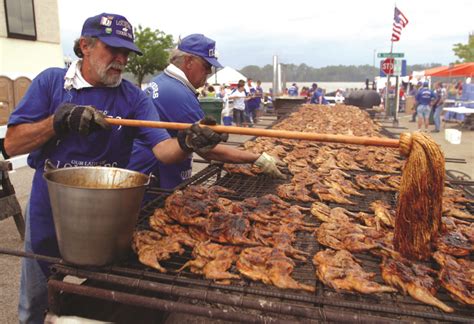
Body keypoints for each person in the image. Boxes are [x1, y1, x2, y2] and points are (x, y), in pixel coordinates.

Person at [4, 14, 228, 324]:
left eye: (126, 53)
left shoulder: (133, 97)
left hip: (107, 213)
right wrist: (58, 121)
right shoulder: (51, 82)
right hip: (51, 206)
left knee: (105, 290)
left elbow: (164, 151)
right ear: (85, 46)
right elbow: (13, 144)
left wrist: (189, 141)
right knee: (36, 294)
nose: (121, 60)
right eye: (113, 50)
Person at [127, 34, 286, 190]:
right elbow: (208, 149)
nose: (209, 71)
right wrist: (257, 158)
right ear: (189, 61)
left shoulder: (161, 81)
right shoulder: (178, 93)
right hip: (156, 178)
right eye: (206, 65)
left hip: (146, 169)